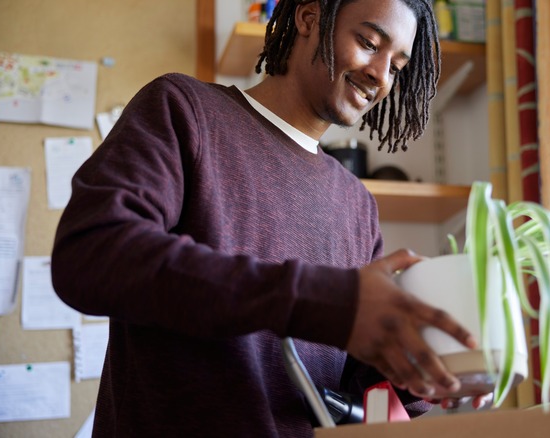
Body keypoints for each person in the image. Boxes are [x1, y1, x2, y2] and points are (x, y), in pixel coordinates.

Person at [52, 0, 486, 436]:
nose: (380, 75)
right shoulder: (184, 110)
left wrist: (424, 368)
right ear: (309, 17)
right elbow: (90, 254)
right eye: (369, 43)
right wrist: (323, 300)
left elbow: (357, 391)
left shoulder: (357, 203)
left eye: (397, 66)